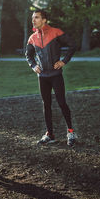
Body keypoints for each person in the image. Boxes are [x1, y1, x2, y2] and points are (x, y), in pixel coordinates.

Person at [25, 9, 77, 146]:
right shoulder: (32, 38)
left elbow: (72, 45)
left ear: (44, 20)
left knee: (61, 103)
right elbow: (28, 55)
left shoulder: (56, 32)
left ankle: (71, 132)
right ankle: (50, 133)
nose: (33, 20)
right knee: (46, 104)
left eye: (36, 17)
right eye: (33, 18)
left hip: (55, 75)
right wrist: (33, 65)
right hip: (42, 76)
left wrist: (63, 61)